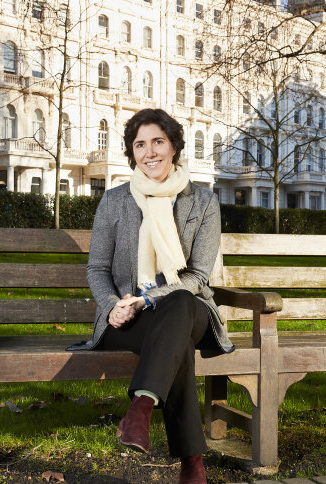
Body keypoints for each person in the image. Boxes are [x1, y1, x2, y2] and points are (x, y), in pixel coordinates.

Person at [68, 108, 234, 484]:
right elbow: (96, 269)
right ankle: (192, 461)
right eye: (139, 145)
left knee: (178, 303)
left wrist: (147, 299)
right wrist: (113, 307)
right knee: (174, 347)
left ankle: (141, 407)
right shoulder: (114, 201)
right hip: (128, 319)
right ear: (132, 153)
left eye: (158, 141)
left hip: (184, 310)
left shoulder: (203, 202)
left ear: (174, 146)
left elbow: (197, 276)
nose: (149, 152)